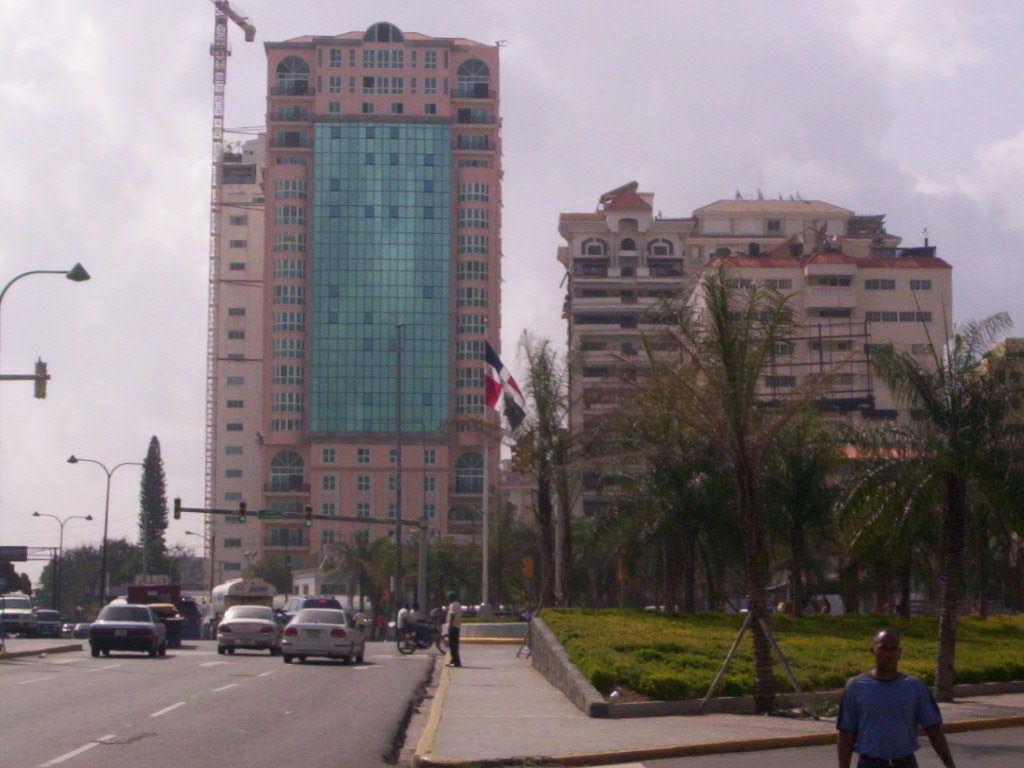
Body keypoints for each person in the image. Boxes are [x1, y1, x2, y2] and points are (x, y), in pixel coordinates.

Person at [837, 628, 957, 768]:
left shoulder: (915, 687)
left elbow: (934, 730)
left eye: (893, 648)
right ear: (872, 650)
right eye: (882, 648)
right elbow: (846, 734)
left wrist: (950, 765)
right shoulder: (856, 687)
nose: (887, 654)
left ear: (900, 652)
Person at [445, 590, 462, 667]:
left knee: (452, 646)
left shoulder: (452, 605)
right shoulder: (458, 604)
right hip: (457, 627)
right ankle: (454, 661)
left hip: (453, 627)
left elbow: (452, 616)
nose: (448, 599)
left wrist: (450, 626)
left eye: (449, 597)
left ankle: (456, 662)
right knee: (455, 646)